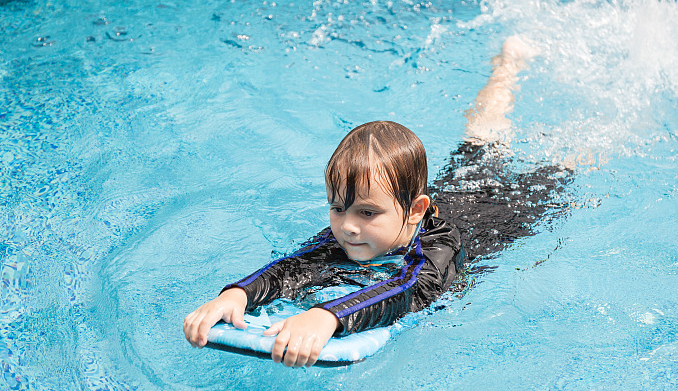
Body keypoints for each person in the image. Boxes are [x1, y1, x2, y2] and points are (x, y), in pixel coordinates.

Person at [183, 36, 571, 367]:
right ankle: (507, 64)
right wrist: (237, 294)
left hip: (507, 209)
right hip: (452, 190)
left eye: (367, 212)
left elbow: (403, 290)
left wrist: (326, 317)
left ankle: (536, 96)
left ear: (415, 211)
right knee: (479, 141)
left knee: (562, 164)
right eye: (338, 208)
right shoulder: (353, 230)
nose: (347, 225)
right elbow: (293, 267)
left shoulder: (439, 248)